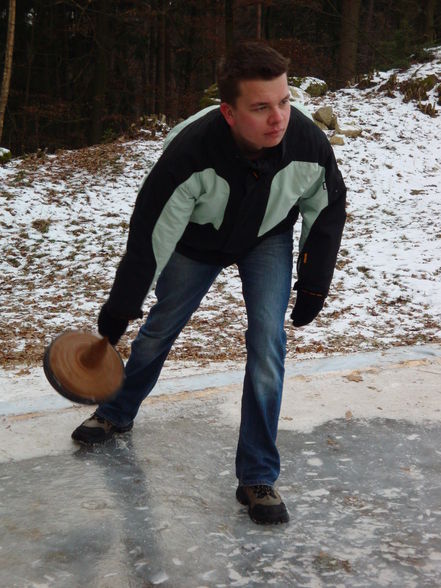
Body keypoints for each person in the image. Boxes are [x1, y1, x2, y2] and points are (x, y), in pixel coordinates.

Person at [72, 42, 346, 525]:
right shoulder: (188, 153)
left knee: (268, 341)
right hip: (196, 244)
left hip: (266, 237)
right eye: (260, 107)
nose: (278, 117)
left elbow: (324, 213)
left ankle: (258, 476)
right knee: (159, 329)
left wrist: (314, 283)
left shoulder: (308, 146)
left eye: (284, 101)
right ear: (228, 112)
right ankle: (116, 411)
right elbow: (151, 234)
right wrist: (122, 303)